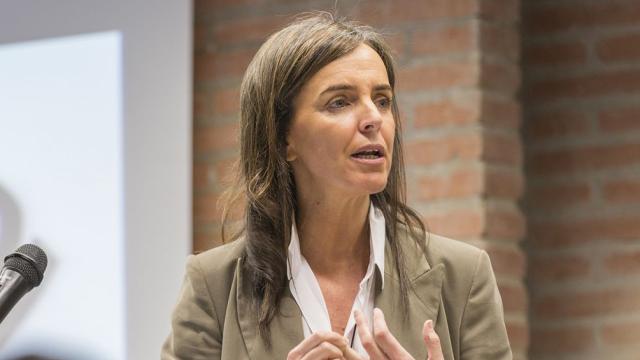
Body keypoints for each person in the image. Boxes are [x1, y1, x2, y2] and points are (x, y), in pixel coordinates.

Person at [162, 13, 511, 360]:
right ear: (283, 138)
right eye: (340, 102)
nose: (374, 118)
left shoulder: (464, 276)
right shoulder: (212, 286)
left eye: (383, 100)